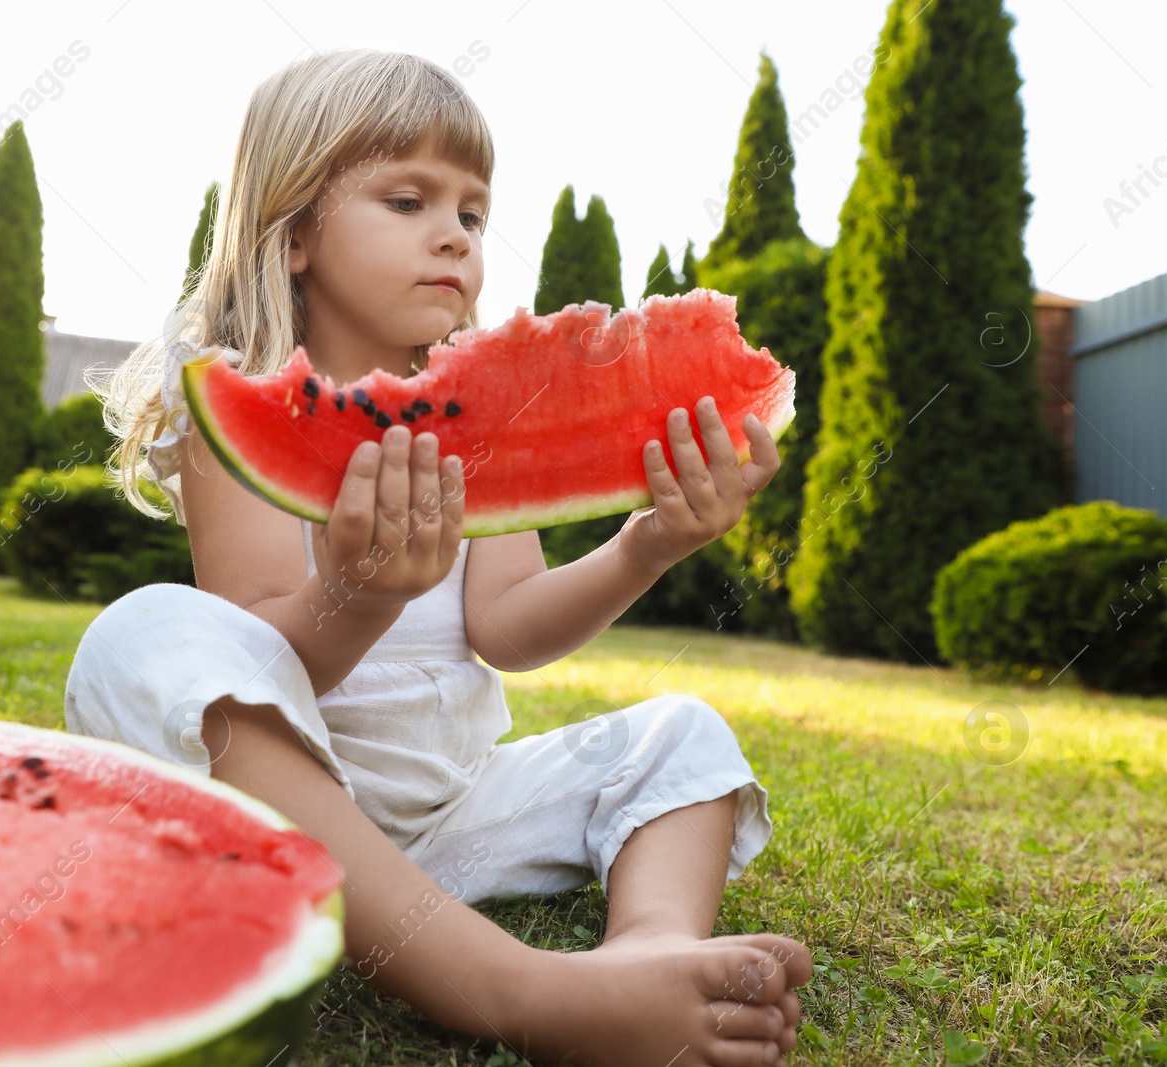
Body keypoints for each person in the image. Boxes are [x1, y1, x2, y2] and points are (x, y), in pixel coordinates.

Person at [68, 48, 812, 1067]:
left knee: (679, 732)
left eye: (470, 213)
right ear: (294, 233)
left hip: (457, 815)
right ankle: (523, 990)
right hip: (285, 826)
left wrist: (649, 545)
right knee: (140, 636)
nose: (453, 238)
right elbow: (257, 663)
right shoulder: (223, 413)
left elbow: (507, 628)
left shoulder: (483, 417)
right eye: (408, 199)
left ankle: (648, 950)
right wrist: (355, 594)